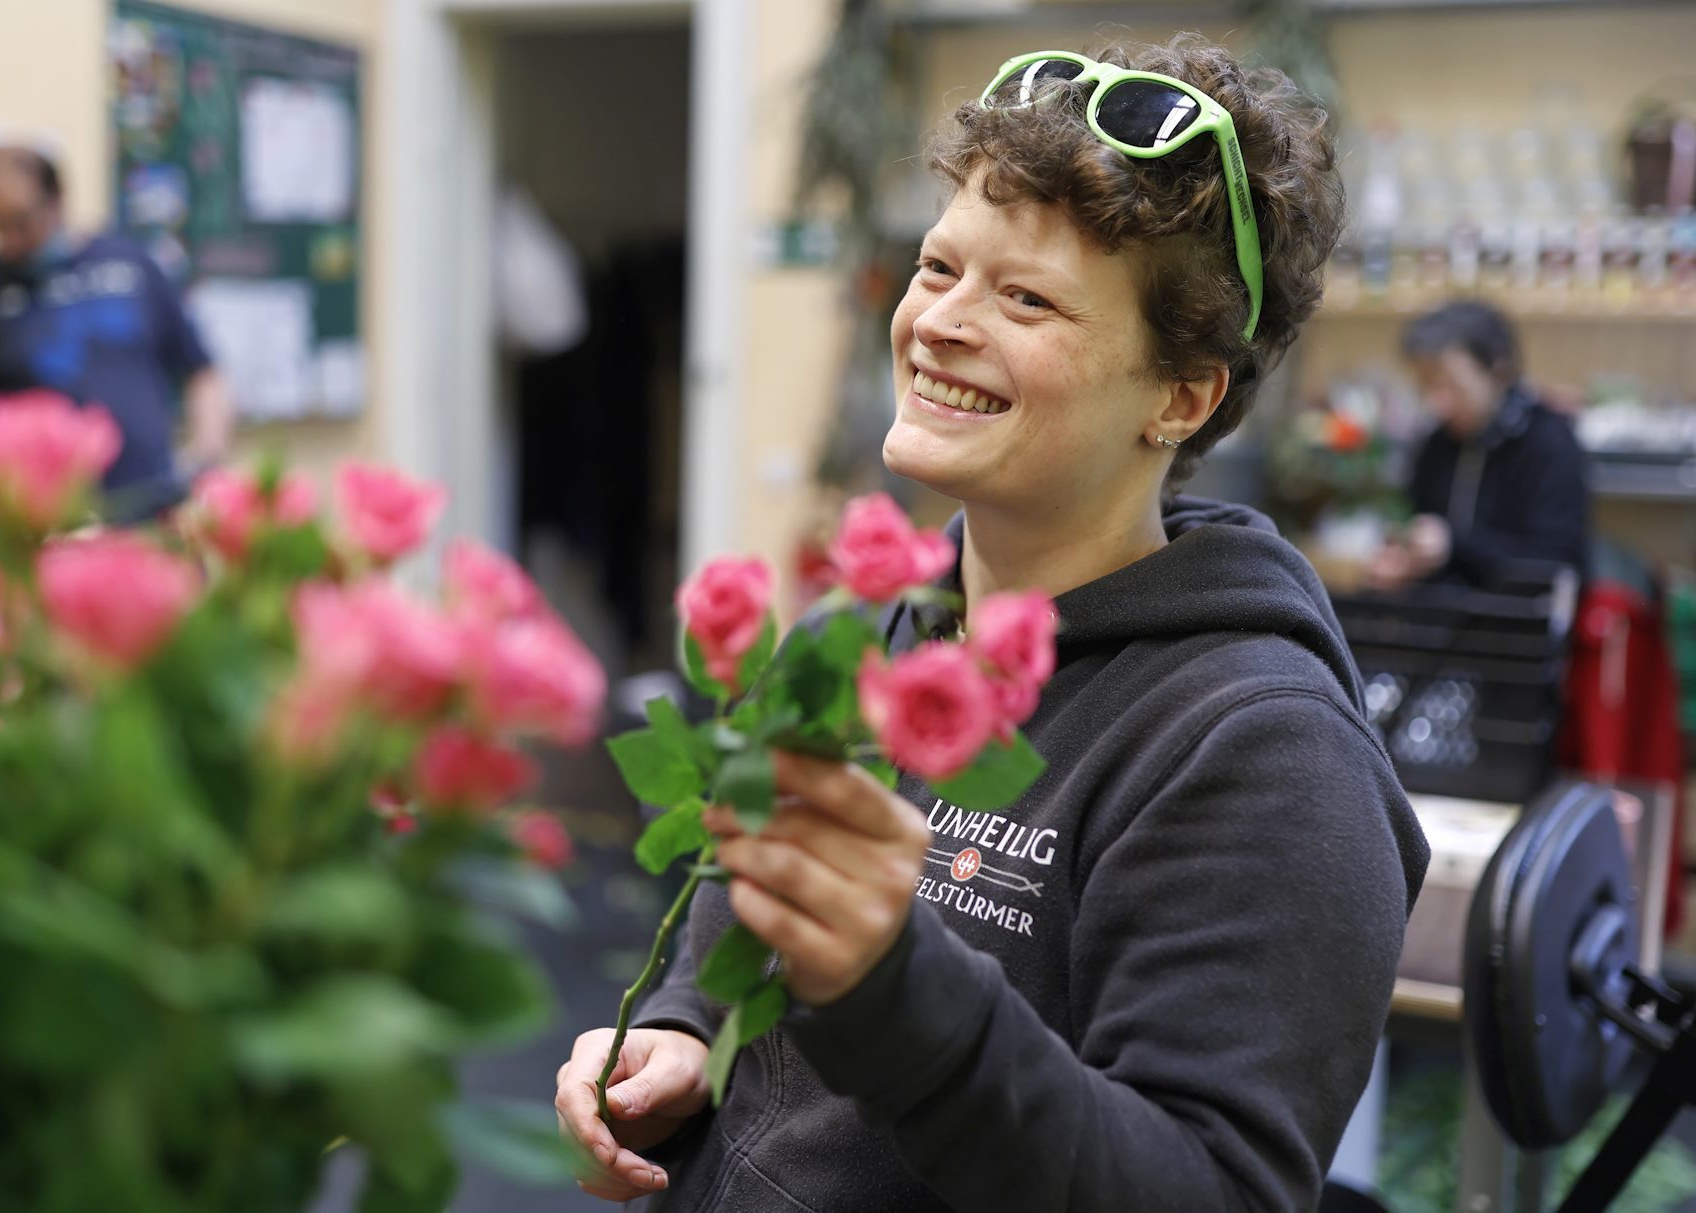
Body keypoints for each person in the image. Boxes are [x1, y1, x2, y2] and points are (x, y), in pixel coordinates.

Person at [555, 34, 1428, 1211]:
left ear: (1180, 396)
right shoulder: (862, 638)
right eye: (938, 267)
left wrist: (897, 992)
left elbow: (1206, 1189)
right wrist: (681, 1025)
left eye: (1025, 298)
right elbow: (737, 911)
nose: (940, 322)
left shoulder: (1263, 754)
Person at [0, 146, 232, 521]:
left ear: (56, 200)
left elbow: (203, 372)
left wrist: (205, 455)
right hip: (44, 523)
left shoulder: (131, 264)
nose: (9, 238)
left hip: (154, 508)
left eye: (21, 221)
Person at [1366, 300, 1588, 590]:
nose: (1437, 403)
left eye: (1451, 385)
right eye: (1425, 386)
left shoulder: (1549, 443)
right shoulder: (1437, 443)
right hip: (1442, 613)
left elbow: (1556, 567)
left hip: (1519, 614)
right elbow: (1415, 522)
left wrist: (1453, 547)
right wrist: (1404, 557)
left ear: (1498, 369)